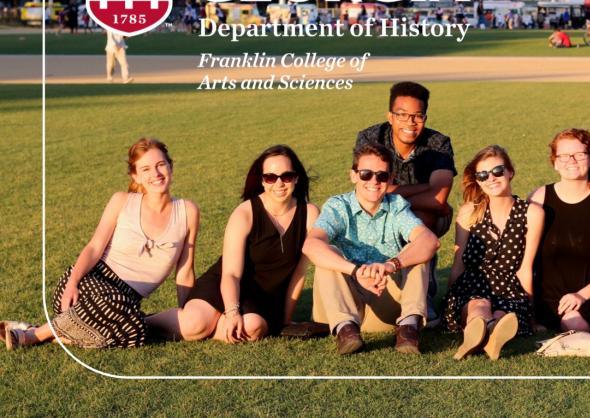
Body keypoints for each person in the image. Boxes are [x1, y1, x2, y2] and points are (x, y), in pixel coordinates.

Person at [2, 138, 199, 349]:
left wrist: (186, 312)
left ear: (170, 166)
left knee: (137, 331)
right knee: (118, 306)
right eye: (146, 169)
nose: (156, 174)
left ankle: (49, 330)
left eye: (161, 165)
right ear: (136, 176)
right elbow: (94, 247)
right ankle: (32, 335)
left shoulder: (188, 211)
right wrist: (72, 283)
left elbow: (185, 270)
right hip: (87, 284)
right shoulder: (122, 201)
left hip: (124, 303)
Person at [156, 145, 318, 343]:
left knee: (252, 328)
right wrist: (232, 312)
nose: (279, 183)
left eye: (286, 176)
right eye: (270, 177)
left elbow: (299, 273)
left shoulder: (309, 214)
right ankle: (141, 322)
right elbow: (231, 273)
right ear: (262, 180)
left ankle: (212, 327)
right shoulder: (245, 213)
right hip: (225, 283)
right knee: (194, 323)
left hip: (263, 297)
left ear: (296, 178)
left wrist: (285, 319)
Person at [303, 143, 440, 355]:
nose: (374, 181)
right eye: (366, 174)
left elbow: (430, 240)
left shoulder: (396, 205)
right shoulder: (338, 206)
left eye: (381, 176)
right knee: (327, 253)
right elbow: (311, 245)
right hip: (341, 306)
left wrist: (389, 265)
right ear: (353, 175)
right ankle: (346, 331)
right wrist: (356, 271)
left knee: (418, 251)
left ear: (390, 178)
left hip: (384, 305)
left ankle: (408, 329)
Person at [354, 81, 456, 324]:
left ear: (425, 117)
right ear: (390, 116)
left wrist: (391, 192)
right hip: (379, 211)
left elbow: (438, 198)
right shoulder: (370, 138)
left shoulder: (438, 144)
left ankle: (423, 293)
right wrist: (423, 188)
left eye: (417, 116)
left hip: (426, 216)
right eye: (402, 115)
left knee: (424, 218)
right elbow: (368, 189)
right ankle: (378, 286)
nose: (410, 123)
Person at [442, 145, 544, 360]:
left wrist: (532, 315)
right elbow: (459, 261)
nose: (491, 178)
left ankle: (489, 336)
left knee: (504, 314)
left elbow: (526, 267)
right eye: (483, 175)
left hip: (509, 287)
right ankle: (484, 332)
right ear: (478, 180)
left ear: (510, 172)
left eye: (497, 171)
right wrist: (450, 297)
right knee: (479, 306)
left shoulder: (532, 213)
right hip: (472, 284)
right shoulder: (470, 211)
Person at [529, 129, 590, 335]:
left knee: (579, 326)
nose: (571, 160)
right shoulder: (539, 199)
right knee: (575, 325)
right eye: (563, 156)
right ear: (555, 162)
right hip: (553, 297)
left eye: (579, 154)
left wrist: (581, 296)